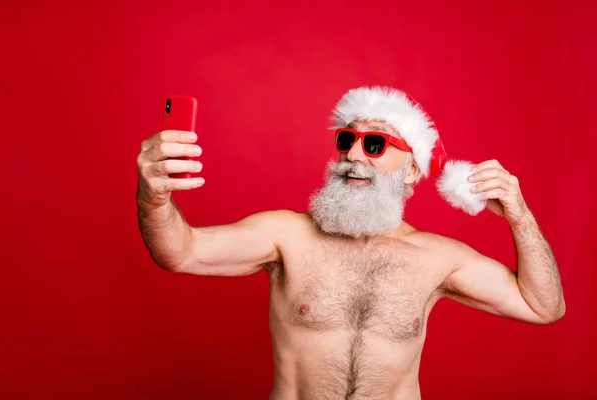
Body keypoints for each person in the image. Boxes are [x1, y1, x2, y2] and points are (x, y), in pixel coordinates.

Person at [136, 86, 565, 399]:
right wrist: (154, 196)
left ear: (412, 170)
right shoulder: (286, 235)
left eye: (375, 143)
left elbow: (543, 306)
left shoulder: (438, 258)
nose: (355, 156)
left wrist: (519, 215)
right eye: (347, 139)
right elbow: (181, 251)